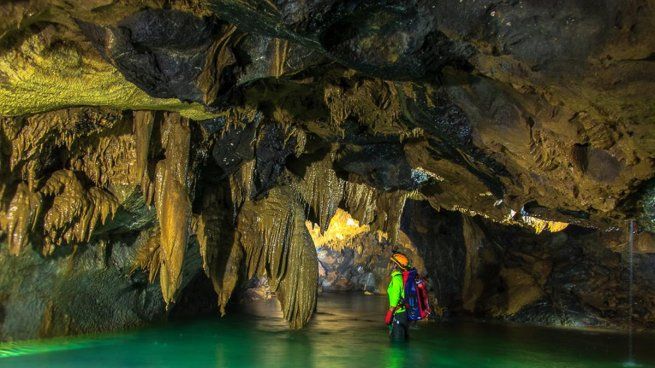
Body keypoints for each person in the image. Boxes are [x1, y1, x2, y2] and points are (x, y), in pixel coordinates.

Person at [385, 251, 410, 342]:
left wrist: (389, 316)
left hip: (399, 315)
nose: (388, 265)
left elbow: (395, 300)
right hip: (402, 314)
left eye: (390, 263)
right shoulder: (398, 277)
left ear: (395, 265)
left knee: (397, 348)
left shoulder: (397, 279)